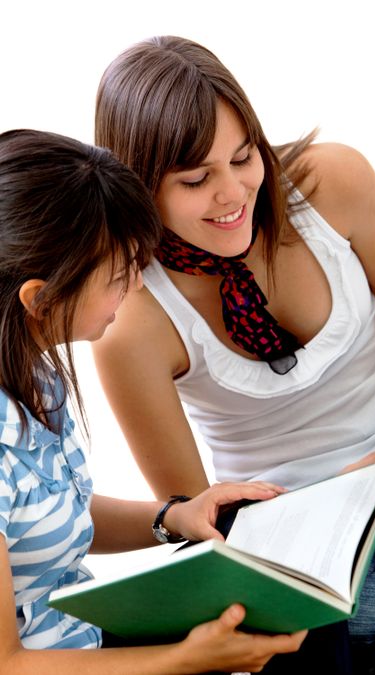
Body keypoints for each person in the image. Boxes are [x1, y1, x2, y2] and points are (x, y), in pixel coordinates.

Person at [93, 36, 375, 674]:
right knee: (305, 620)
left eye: (243, 157)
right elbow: (198, 517)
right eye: (197, 179)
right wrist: (342, 503)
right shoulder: (133, 320)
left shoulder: (332, 179)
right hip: (318, 549)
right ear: (140, 184)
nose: (233, 194)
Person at [0, 128, 312, 674]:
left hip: (85, 641)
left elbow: (44, 515)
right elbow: (9, 663)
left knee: (295, 623)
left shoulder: (31, 371)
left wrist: (173, 517)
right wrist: (180, 661)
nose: (136, 290)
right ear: (38, 297)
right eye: (119, 278)